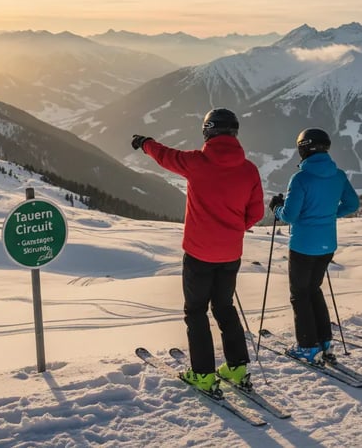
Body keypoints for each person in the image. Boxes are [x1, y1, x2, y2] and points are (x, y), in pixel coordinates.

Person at [131, 108, 264, 393]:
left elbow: (165, 156)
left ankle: (203, 374)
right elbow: (256, 212)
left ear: (208, 131)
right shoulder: (249, 169)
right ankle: (238, 368)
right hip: (230, 255)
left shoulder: (196, 162)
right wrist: (233, 228)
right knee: (225, 308)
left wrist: (145, 143)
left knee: (196, 312)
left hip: (199, 254)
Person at [269, 128, 360, 364]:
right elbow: (352, 203)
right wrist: (328, 214)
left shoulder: (300, 178)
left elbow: (290, 215)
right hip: (326, 245)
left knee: (299, 295)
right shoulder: (338, 175)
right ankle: (325, 340)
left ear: (303, 148)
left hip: (303, 246)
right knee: (314, 290)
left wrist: (276, 208)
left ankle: (308, 346)